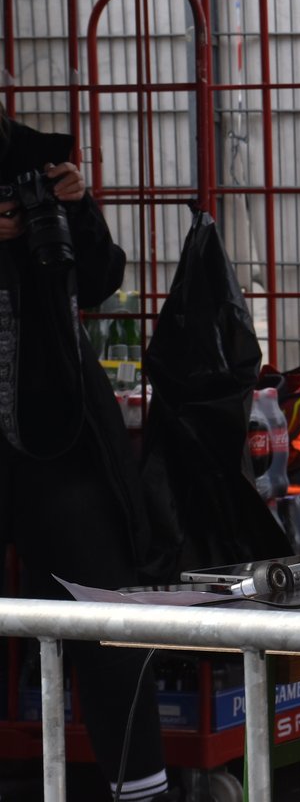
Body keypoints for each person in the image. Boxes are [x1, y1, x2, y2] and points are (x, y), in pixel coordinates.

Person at [0, 118, 179, 802]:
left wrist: (74, 208)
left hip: (64, 431)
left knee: (102, 613)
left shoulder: (31, 166)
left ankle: (142, 787)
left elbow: (100, 280)